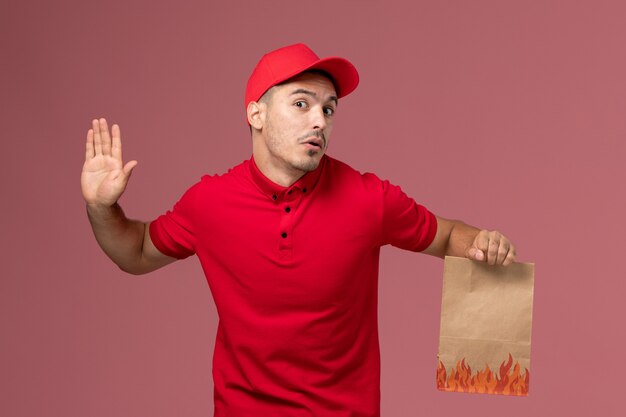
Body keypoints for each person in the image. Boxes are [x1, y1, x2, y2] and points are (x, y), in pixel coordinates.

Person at [81, 43, 516, 417]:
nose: (320, 121)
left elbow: (446, 236)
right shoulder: (209, 202)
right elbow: (135, 251)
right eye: (301, 103)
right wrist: (102, 207)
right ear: (256, 113)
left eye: (329, 109)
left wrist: (481, 242)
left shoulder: (369, 198)